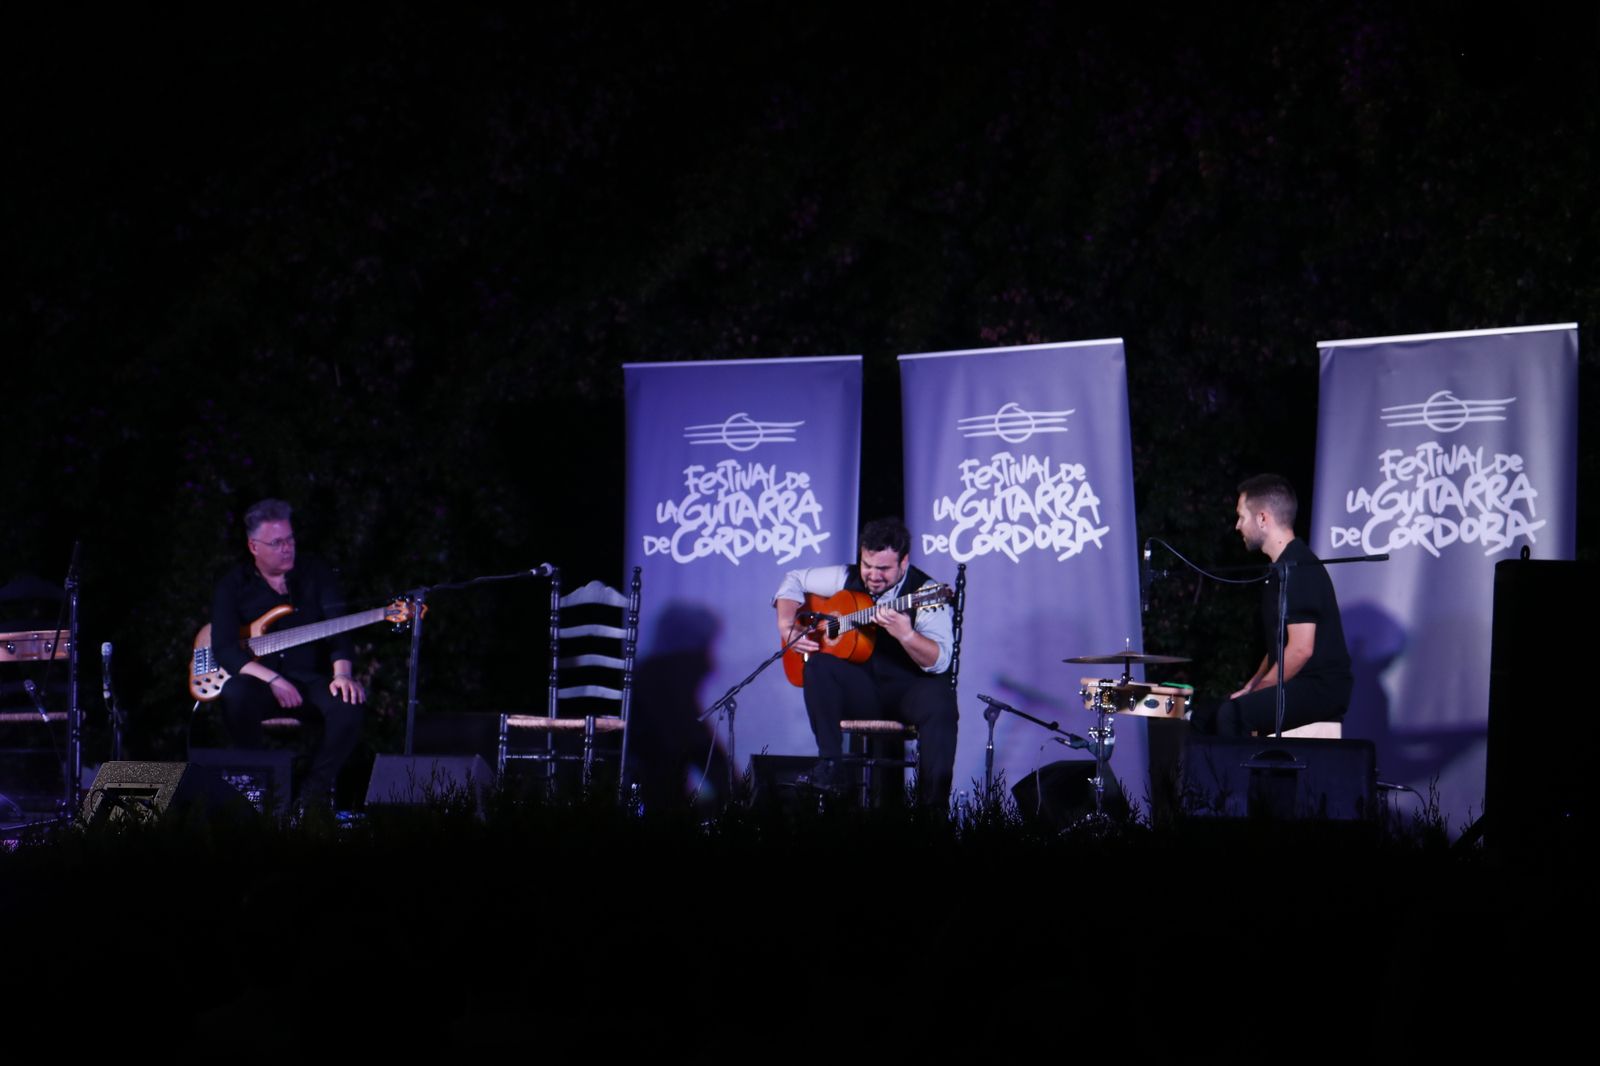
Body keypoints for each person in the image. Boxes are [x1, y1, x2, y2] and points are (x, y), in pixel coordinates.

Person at [773, 517, 958, 807]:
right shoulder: (845, 576)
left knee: (941, 702)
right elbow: (793, 579)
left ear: (903, 562)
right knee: (818, 665)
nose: (872, 575)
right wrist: (788, 626)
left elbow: (940, 661)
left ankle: (932, 811)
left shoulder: (925, 592)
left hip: (906, 690)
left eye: (883, 568)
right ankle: (830, 768)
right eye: (867, 565)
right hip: (863, 690)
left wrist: (907, 635)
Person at [210, 498, 366, 810]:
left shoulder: (316, 574)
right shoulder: (233, 585)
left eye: (290, 539)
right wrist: (274, 680)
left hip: (310, 682)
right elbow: (225, 649)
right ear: (254, 546)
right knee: (235, 695)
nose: (287, 548)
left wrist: (343, 674)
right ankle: (257, 788)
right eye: (277, 542)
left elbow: (338, 628)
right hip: (263, 683)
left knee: (349, 703)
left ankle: (311, 795)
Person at [1191, 474, 1352, 737]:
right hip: (1296, 683)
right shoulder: (1279, 569)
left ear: (1263, 518)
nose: (1237, 526)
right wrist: (1252, 685)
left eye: (1242, 516)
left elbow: (1300, 649)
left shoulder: (1299, 568)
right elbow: (1280, 645)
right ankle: (1199, 780)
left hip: (1320, 688)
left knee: (1234, 715)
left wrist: (1262, 689)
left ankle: (1235, 779)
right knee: (1205, 715)